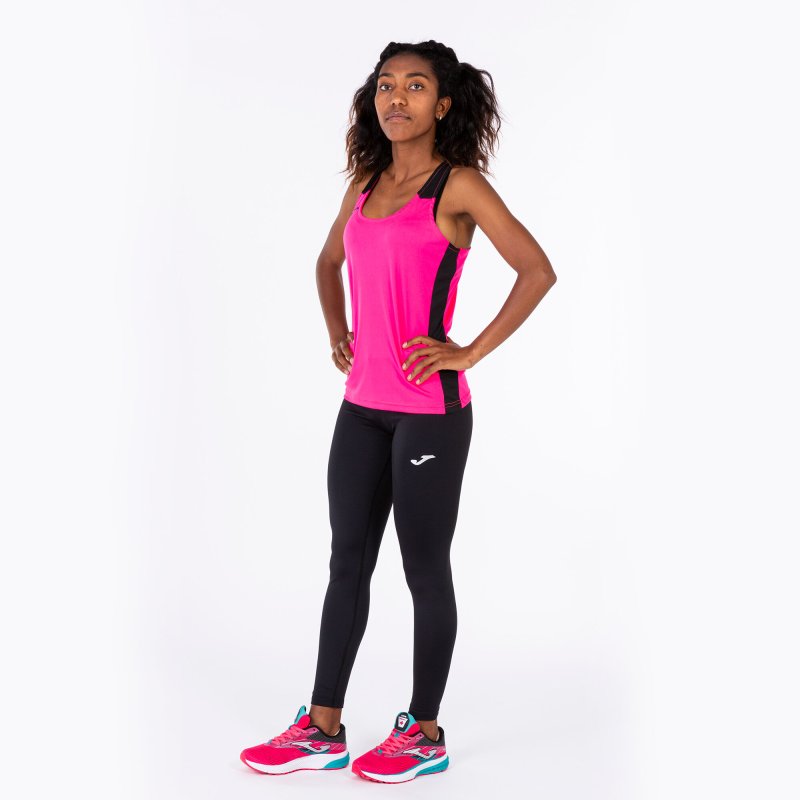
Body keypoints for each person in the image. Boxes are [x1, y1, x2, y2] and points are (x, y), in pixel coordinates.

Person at [240, 39, 557, 783]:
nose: (397, 98)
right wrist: (338, 332)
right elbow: (328, 262)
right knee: (346, 561)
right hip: (360, 408)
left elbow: (537, 270)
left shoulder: (459, 186)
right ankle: (323, 728)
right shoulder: (364, 183)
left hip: (429, 412)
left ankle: (425, 731)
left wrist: (468, 352)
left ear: (442, 105)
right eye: (386, 84)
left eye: (416, 86)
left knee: (423, 567)